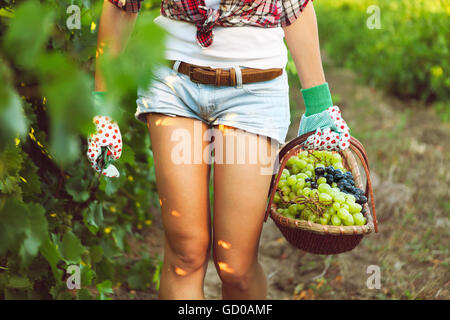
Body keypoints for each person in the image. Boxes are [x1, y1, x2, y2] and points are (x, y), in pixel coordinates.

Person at [90, 0, 350, 299]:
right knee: (185, 253)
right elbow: (122, 5)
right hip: (174, 86)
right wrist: (101, 103)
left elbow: (296, 9)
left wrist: (319, 106)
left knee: (235, 266)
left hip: (254, 92)